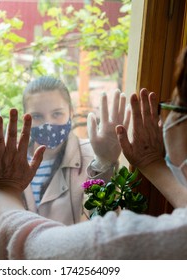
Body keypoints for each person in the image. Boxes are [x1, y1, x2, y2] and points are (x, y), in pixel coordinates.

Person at [0, 25, 187, 259]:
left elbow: (30, 251)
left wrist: (3, 187)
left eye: (171, 108)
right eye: (37, 116)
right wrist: (151, 162)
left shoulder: (132, 242)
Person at [21, 76, 130, 224]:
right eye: (37, 116)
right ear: (25, 119)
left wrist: (105, 163)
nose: (48, 123)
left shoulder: (93, 157)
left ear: (71, 113)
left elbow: (106, 222)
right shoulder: (13, 161)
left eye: (57, 114)